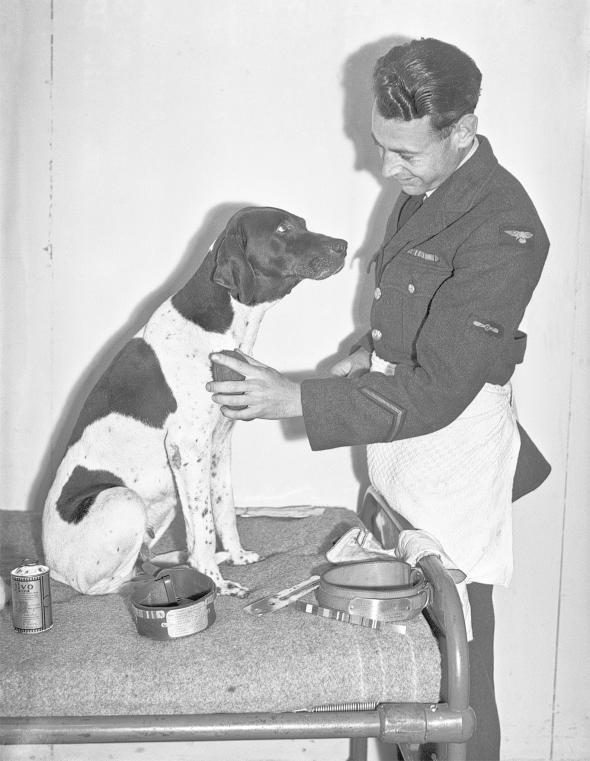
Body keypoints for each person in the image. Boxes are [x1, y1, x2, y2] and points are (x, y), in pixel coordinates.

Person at [206, 37, 550, 760]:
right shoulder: (429, 187)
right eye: (380, 146)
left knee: (457, 669)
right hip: (400, 446)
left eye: (407, 153)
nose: (386, 169)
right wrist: (363, 351)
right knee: (399, 656)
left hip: (452, 453)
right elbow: (409, 320)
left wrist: (296, 399)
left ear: (462, 131)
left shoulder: (507, 228)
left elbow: (439, 385)